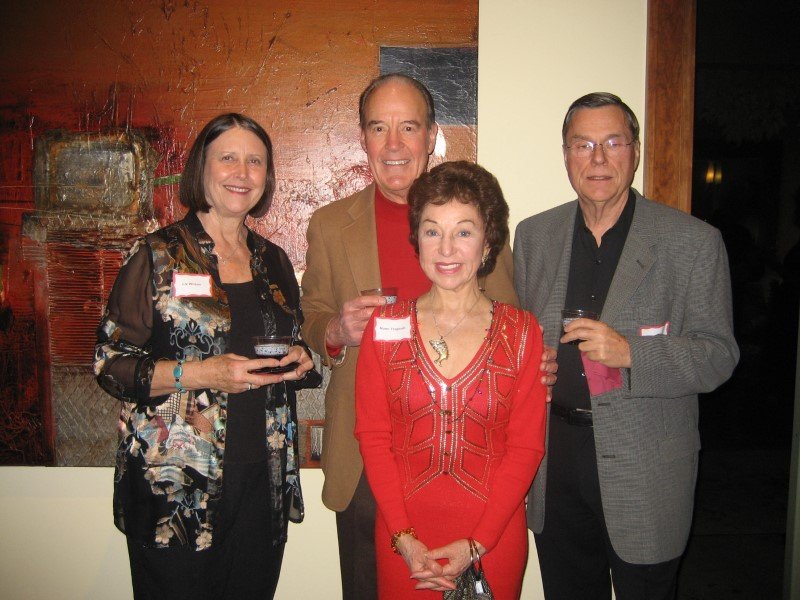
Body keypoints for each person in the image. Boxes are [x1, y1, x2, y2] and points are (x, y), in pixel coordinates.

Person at [300, 73, 551, 599]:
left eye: (409, 127)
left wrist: (536, 365)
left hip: (471, 463)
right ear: (363, 137)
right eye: (378, 128)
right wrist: (334, 330)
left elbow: (510, 322)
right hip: (365, 456)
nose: (393, 144)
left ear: (432, 134)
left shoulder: (478, 214)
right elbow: (311, 315)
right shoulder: (329, 224)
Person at [514, 92, 740, 599]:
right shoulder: (533, 236)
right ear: (566, 155)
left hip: (648, 470)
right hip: (555, 464)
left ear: (635, 152)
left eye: (613, 142)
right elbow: (521, 333)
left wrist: (632, 355)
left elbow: (718, 356)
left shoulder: (693, 242)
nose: (597, 158)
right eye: (583, 144)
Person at [94, 113, 321, 599]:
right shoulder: (158, 255)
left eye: (255, 161)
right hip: (176, 487)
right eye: (228, 158)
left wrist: (300, 356)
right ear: (202, 168)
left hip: (261, 480)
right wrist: (201, 373)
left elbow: (285, 339)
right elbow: (110, 364)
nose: (242, 172)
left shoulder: (274, 261)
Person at [355, 160, 547, 598]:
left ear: (487, 241)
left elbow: (526, 447)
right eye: (432, 231)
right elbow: (373, 437)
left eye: (463, 231)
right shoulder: (384, 327)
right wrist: (404, 539)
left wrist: (477, 544)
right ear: (417, 240)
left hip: (493, 539)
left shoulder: (523, 332)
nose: (446, 249)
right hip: (404, 538)